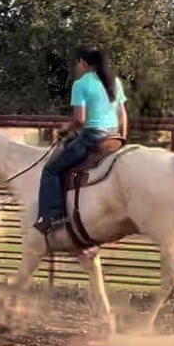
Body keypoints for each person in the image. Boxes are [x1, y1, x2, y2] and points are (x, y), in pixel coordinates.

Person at [34, 47, 128, 234]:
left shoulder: (81, 84)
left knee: (51, 170)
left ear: (83, 63)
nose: (76, 67)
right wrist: (123, 138)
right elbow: (122, 113)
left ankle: (53, 215)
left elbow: (79, 120)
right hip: (114, 136)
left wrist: (64, 129)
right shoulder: (114, 82)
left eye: (77, 63)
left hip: (94, 136)